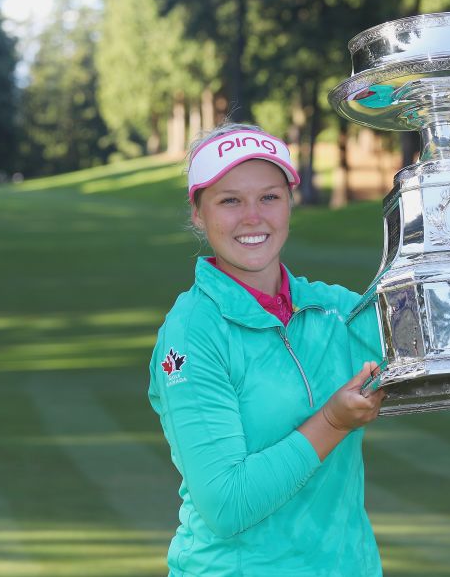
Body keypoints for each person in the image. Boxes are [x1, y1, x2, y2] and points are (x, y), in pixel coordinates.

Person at [148, 123, 386, 576]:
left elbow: (440, 353)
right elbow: (227, 503)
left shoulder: (332, 309)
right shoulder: (191, 333)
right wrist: (333, 422)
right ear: (198, 212)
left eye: (270, 197)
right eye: (230, 200)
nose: (253, 217)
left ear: (290, 203)